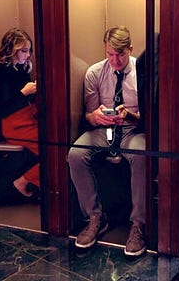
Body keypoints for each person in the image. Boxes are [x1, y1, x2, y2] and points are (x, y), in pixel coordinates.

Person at [67, 25, 146, 256]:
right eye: (110, 54)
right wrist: (96, 117)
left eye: (120, 54)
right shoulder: (95, 72)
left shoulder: (141, 72)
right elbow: (89, 115)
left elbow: (150, 119)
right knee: (75, 154)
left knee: (142, 156)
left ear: (130, 49)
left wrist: (130, 116)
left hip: (132, 129)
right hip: (105, 129)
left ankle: (139, 225)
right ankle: (95, 217)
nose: (115, 60)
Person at [0, 28, 40, 198]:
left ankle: (27, 181)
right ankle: (23, 181)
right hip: (9, 123)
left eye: (29, 51)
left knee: (55, 144)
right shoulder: (1, 72)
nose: (28, 55)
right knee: (52, 148)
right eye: (24, 51)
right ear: (12, 50)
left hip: (23, 119)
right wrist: (24, 93)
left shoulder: (21, 70)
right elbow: (3, 107)